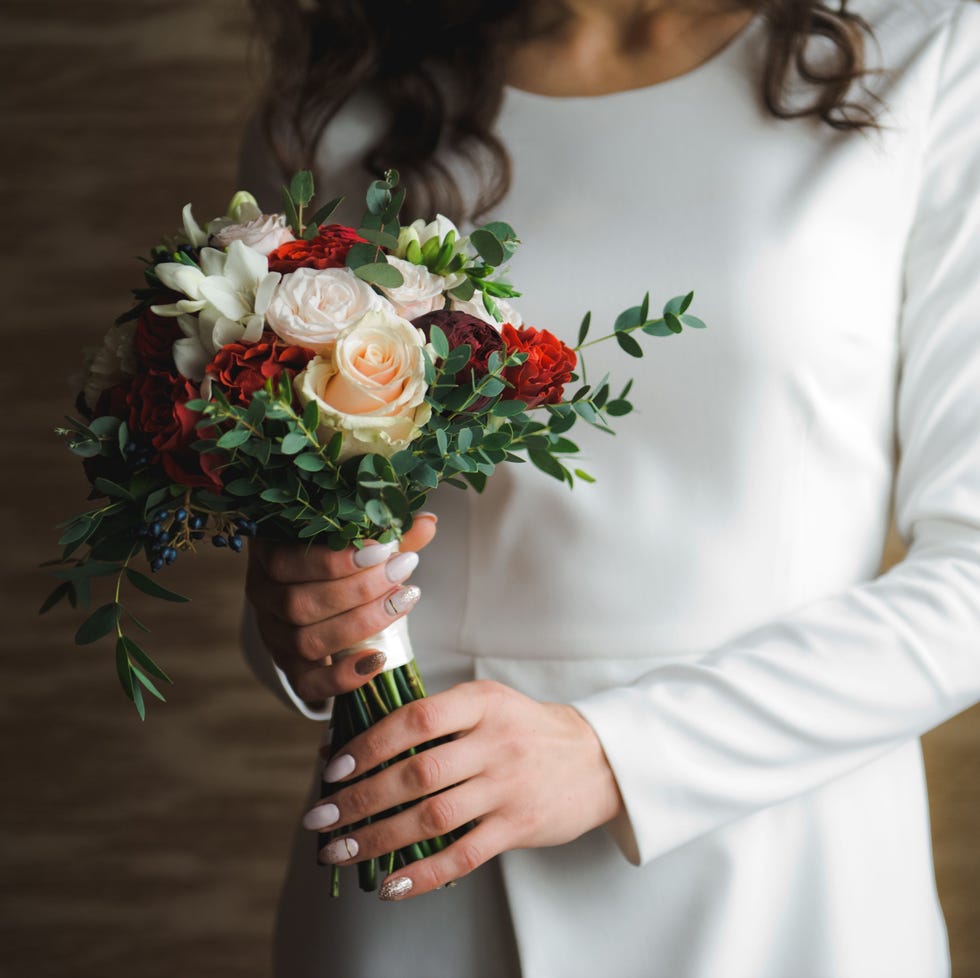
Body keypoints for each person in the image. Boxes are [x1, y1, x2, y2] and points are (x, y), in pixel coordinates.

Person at [239, 0, 980, 975]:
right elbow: (295, 532)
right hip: (413, 862)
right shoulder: (336, 94)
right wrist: (296, 623)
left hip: (787, 879)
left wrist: (613, 753)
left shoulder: (927, 49)